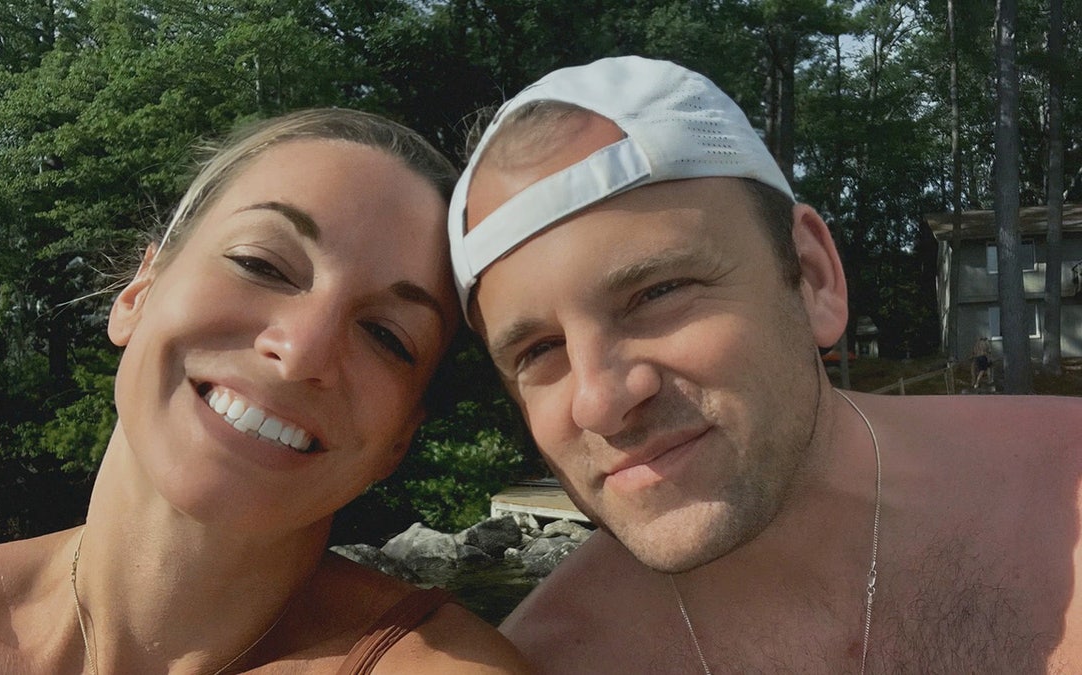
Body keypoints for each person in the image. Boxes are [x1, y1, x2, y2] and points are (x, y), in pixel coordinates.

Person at [448, 56, 1082, 673]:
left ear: (812, 279)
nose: (599, 400)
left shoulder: (1067, 479)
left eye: (657, 293)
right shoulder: (542, 660)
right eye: (537, 351)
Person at [0, 109, 530, 674]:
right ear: (138, 293)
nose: (301, 349)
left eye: (388, 336)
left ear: (401, 438)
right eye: (261, 263)